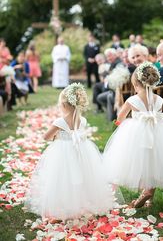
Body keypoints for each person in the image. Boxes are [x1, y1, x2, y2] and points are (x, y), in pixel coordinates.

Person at [103, 62, 163, 208]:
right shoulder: (158, 99)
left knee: (139, 163)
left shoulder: (132, 100)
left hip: (137, 135)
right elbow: (158, 114)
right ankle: (149, 196)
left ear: (135, 83)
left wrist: (118, 125)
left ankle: (144, 190)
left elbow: (120, 117)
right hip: (158, 133)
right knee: (155, 163)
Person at [25, 82, 115, 221]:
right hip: (81, 152)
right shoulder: (82, 120)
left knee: (62, 180)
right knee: (80, 178)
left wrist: (57, 136)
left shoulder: (60, 121)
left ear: (64, 105)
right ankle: (77, 207)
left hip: (63, 154)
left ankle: (65, 211)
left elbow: (46, 137)